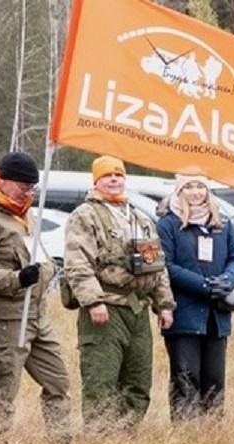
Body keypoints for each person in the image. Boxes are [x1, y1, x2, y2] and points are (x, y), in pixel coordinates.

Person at [0, 152, 71, 444]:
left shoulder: (24, 214)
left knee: (59, 382)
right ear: (2, 180)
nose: (28, 193)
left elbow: (40, 257)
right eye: (23, 186)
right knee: (3, 391)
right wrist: (17, 279)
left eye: (32, 188)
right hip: (4, 319)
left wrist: (47, 270)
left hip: (36, 315)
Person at [64, 155, 175, 429]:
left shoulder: (139, 218)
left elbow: (156, 265)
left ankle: (126, 440)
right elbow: (77, 262)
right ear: (96, 181)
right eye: (107, 175)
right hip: (106, 308)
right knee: (101, 380)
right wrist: (93, 301)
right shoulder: (85, 215)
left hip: (137, 309)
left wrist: (164, 305)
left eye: (118, 175)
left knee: (138, 382)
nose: (113, 180)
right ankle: (100, 442)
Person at [157, 173, 234, 420]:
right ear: (179, 191)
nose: (196, 192)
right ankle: (186, 432)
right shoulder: (168, 224)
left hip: (217, 316)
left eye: (200, 187)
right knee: (186, 378)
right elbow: (166, 265)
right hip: (183, 315)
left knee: (214, 380)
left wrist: (227, 281)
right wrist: (204, 285)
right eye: (189, 187)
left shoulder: (221, 223)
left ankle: (211, 433)